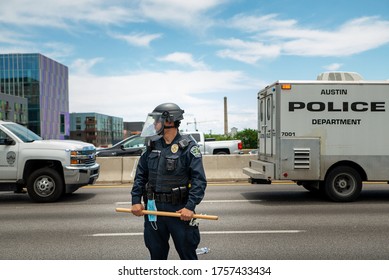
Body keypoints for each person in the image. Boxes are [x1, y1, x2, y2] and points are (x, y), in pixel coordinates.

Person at [130, 102, 207, 260]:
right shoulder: (152, 145)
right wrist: (135, 200)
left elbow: (199, 180)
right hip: (154, 209)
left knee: (187, 255)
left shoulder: (188, 147)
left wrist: (190, 207)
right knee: (156, 255)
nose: (155, 124)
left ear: (169, 121)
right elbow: (140, 175)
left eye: (157, 120)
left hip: (179, 210)